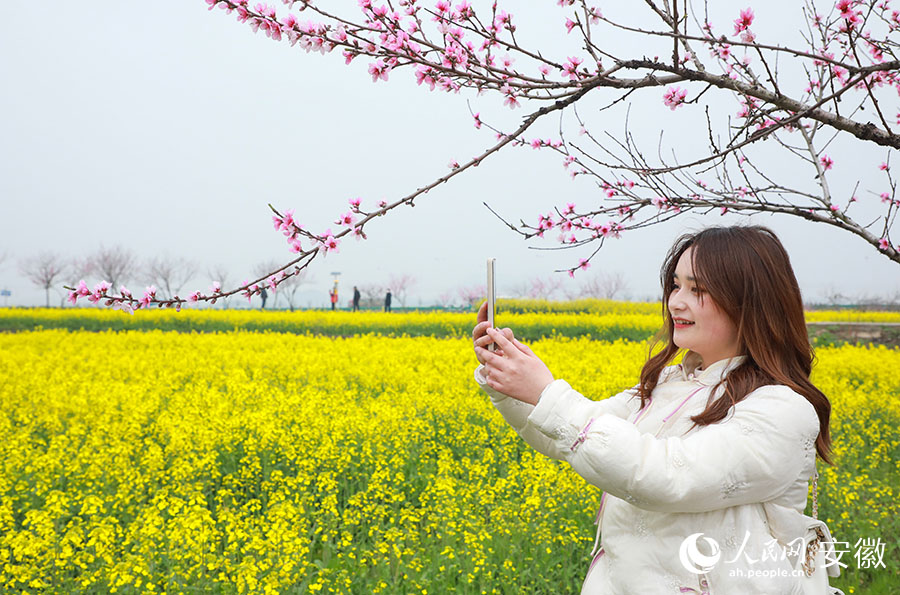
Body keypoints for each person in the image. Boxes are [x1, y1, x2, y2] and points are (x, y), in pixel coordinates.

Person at [472, 226, 837, 594]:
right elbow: (566, 436)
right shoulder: (666, 385)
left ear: (749, 302)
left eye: (698, 290)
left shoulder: (781, 410)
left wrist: (548, 394)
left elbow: (665, 476)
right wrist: (511, 382)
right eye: (675, 286)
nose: (676, 302)